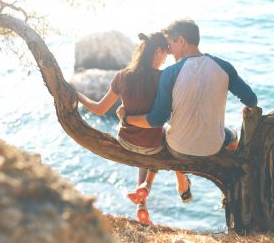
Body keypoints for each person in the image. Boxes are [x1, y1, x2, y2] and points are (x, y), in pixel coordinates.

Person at [77, 32, 191, 225]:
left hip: (126, 142)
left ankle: (142, 203)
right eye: (165, 53)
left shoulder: (122, 76)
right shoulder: (163, 78)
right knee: (163, 136)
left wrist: (77, 95)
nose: (166, 58)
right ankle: (174, 183)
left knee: (146, 144)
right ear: (157, 51)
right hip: (152, 145)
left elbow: (99, 109)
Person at [117, 19, 258, 160]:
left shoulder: (170, 73)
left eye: (170, 45)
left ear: (181, 41)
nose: (169, 51)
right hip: (212, 148)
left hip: (178, 148)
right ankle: (231, 164)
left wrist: (126, 119)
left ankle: (180, 181)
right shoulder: (224, 67)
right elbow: (251, 100)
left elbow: (157, 120)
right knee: (232, 135)